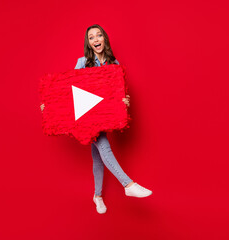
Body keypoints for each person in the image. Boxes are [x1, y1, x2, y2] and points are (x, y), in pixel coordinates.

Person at [41, 24, 152, 214]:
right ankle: (128, 184)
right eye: (91, 37)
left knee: (98, 158)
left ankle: (97, 196)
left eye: (98, 35)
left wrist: (124, 100)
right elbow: (69, 89)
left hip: (102, 116)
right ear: (89, 43)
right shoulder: (83, 62)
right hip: (87, 118)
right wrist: (50, 104)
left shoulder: (114, 65)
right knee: (103, 145)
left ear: (104, 39)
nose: (95, 40)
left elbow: (117, 94)